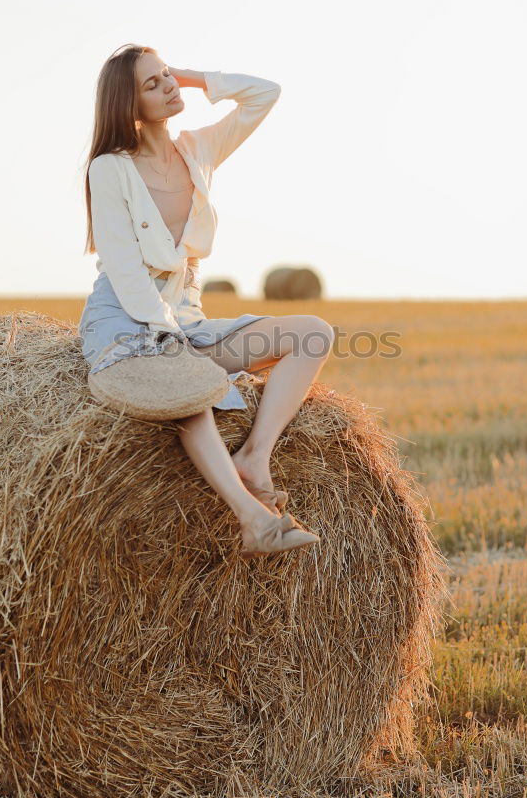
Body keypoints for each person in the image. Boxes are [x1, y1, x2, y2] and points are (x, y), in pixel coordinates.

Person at [79, 43, 335, 556]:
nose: (168, 86)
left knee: (313, 334)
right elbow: (128, 276)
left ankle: (254, 458)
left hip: (187, 321)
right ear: (126, 104)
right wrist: (174, 344)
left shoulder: (197, 150)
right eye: (152, 83)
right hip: (127, 322)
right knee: (187, 386)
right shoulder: (109, 169)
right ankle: (253, 520)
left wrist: (194, 77)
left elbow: (265, 95)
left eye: (166, 74)